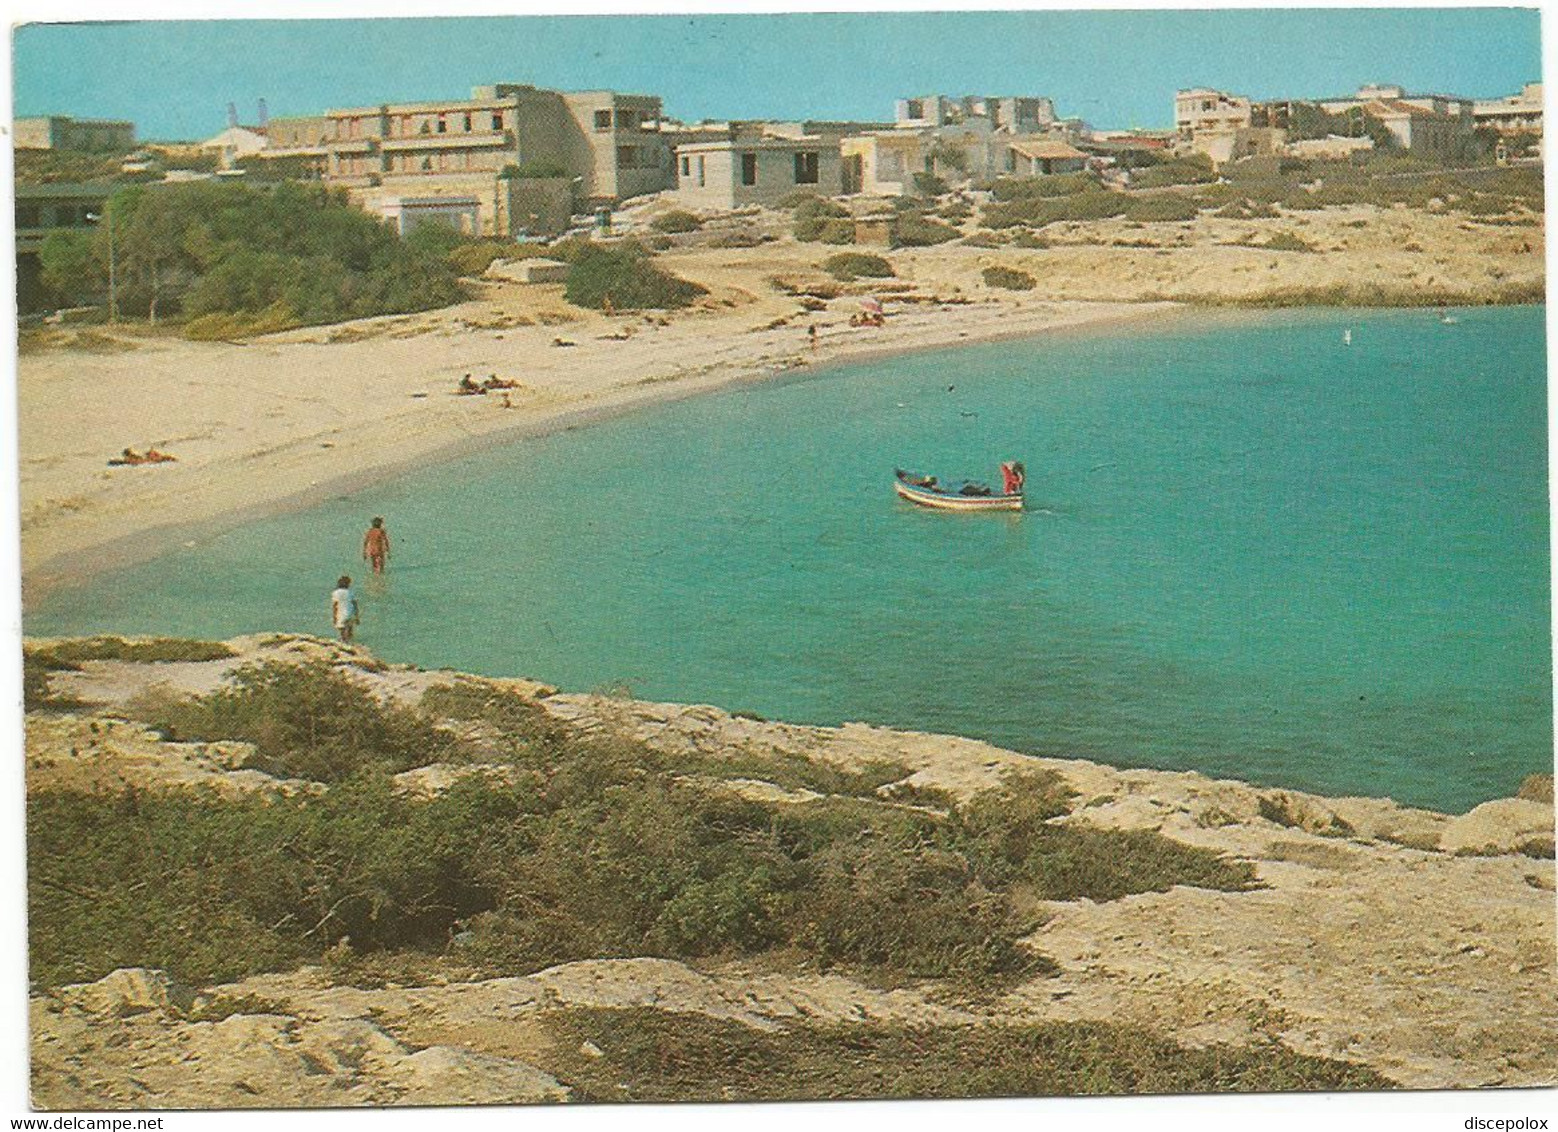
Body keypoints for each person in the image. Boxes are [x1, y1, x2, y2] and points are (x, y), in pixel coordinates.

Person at [331, 575, 359, 643]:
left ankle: (344, 642)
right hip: (350, 613)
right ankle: (350, 643)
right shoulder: (350, 592)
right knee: (350, 630)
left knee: (342, 631)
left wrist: (334, 617)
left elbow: (335, 606)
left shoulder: (335, 593)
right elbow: (355, 605)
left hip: (340, 614)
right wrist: (357, 616)